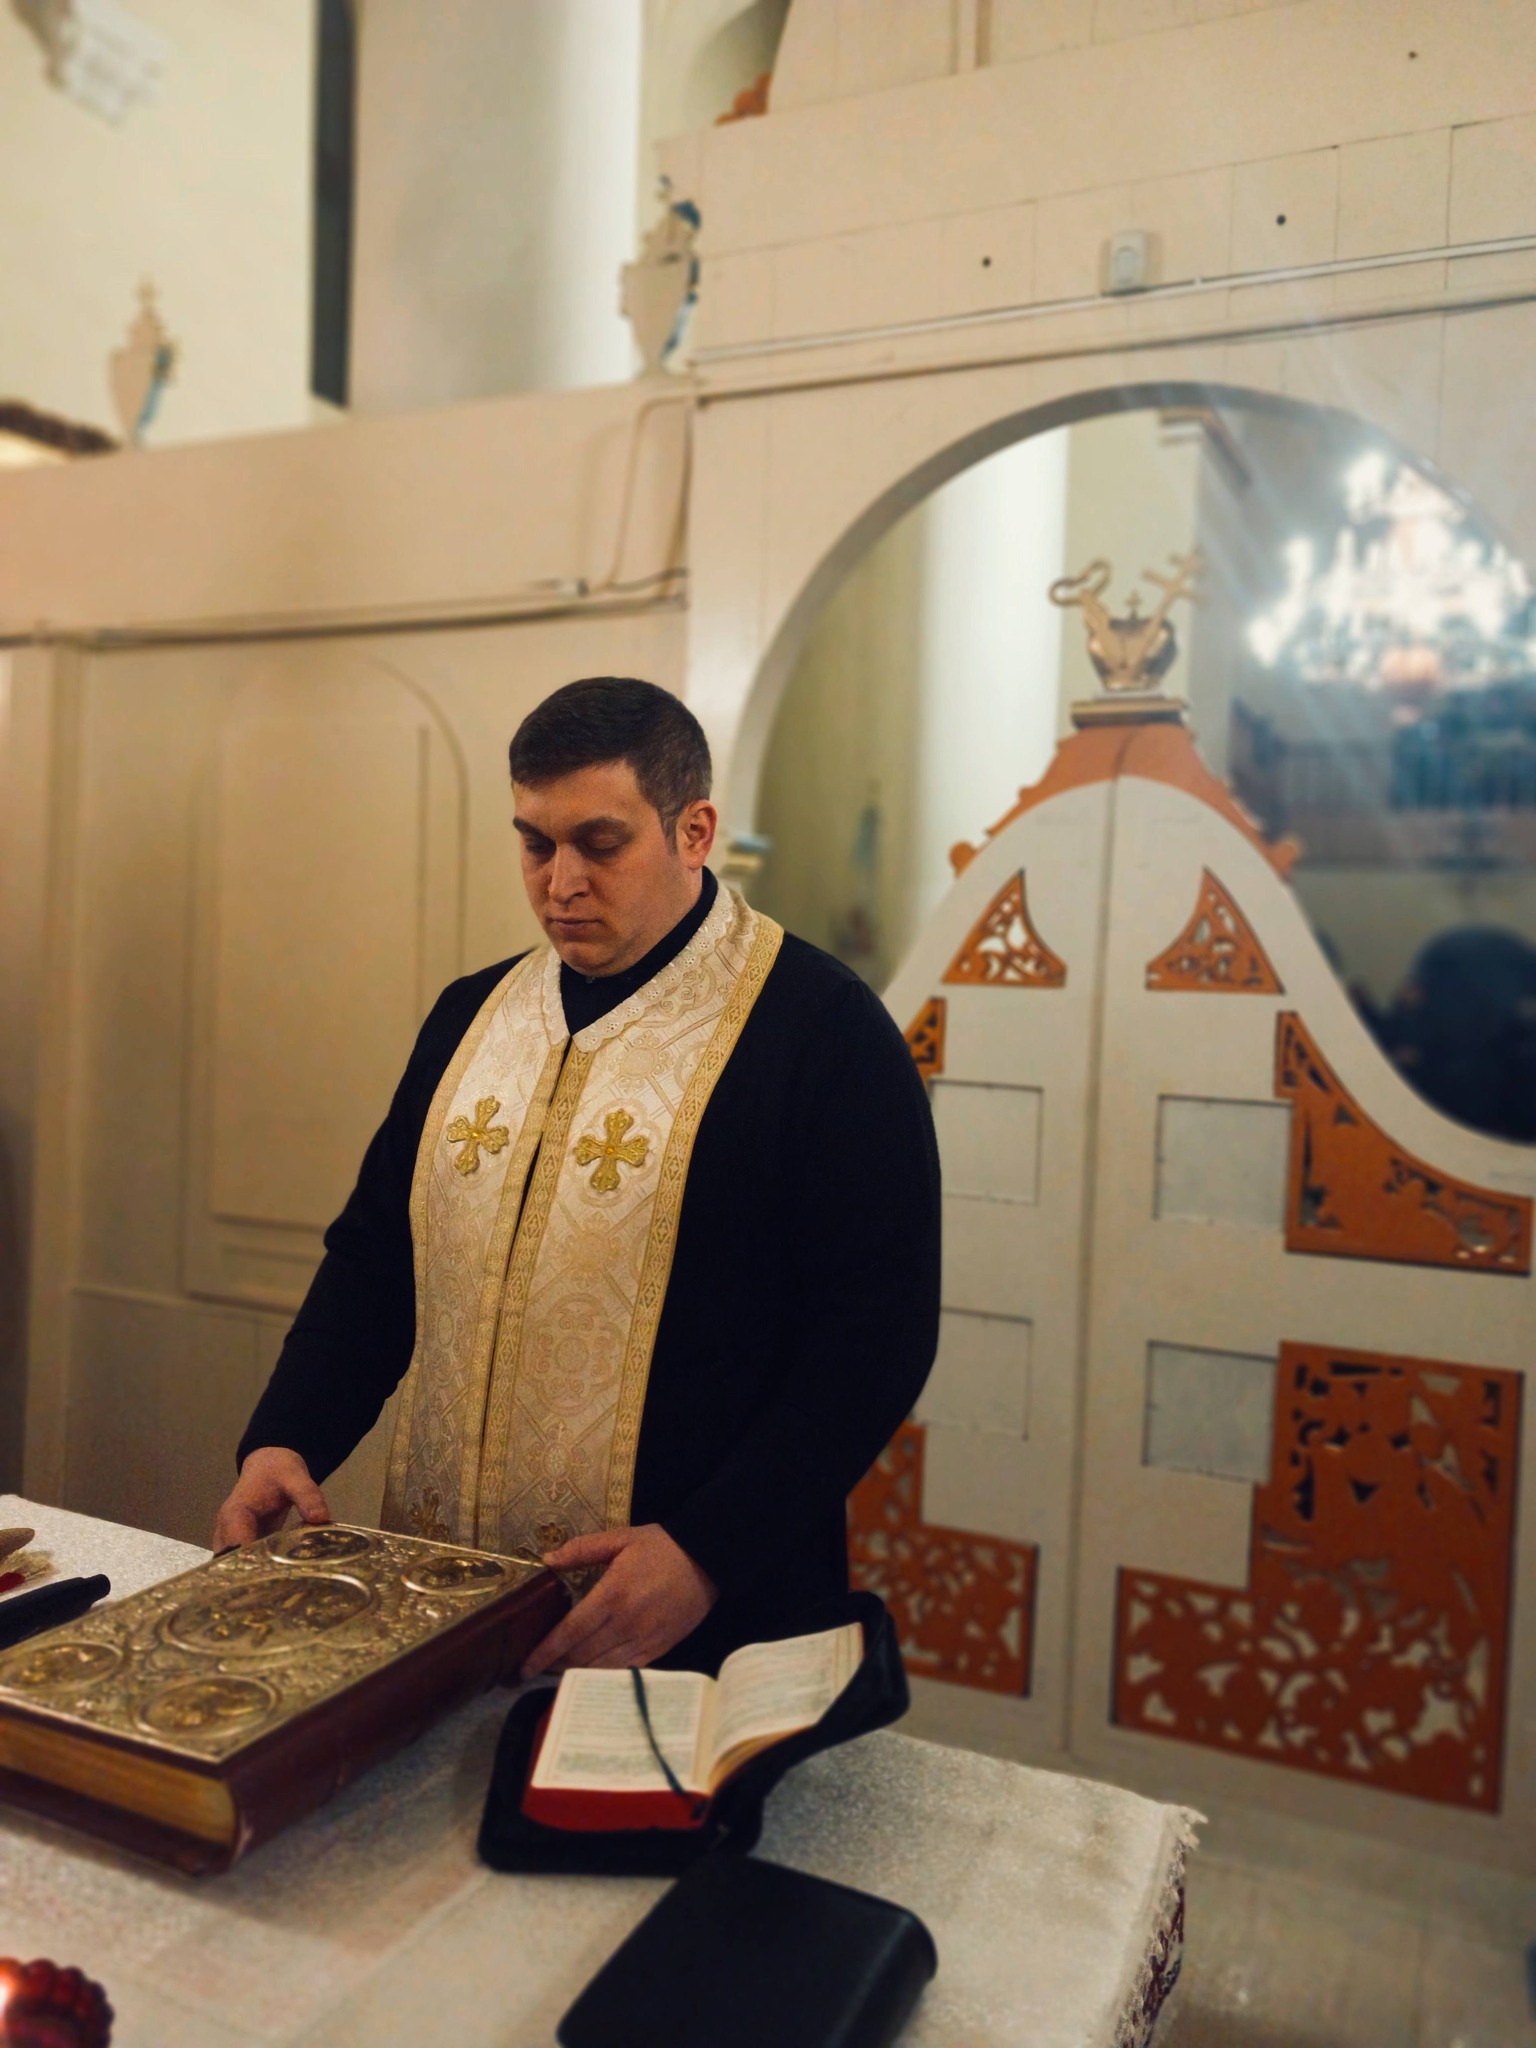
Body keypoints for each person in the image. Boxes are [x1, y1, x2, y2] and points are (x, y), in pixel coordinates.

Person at [214, 677, 941, 1677]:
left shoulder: (823, 1030)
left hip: (691, 1614)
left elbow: (875, 1336)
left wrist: (707, 1549)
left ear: (694, 831)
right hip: (441, 1590)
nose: (560, 882)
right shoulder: (471, 1016)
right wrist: (286, 1437)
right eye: (535, 844)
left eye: (600, 844)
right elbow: (379, 1258)